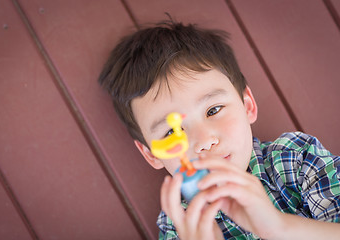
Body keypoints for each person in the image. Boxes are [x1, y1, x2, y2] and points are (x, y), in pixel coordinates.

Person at [99, 20, 340, 239]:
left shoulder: (295, 159)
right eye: (171, 132)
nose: (203, 141)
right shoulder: (180, 226)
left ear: (247, 106)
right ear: (151, 153)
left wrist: (279, 227)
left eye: (213, 111)